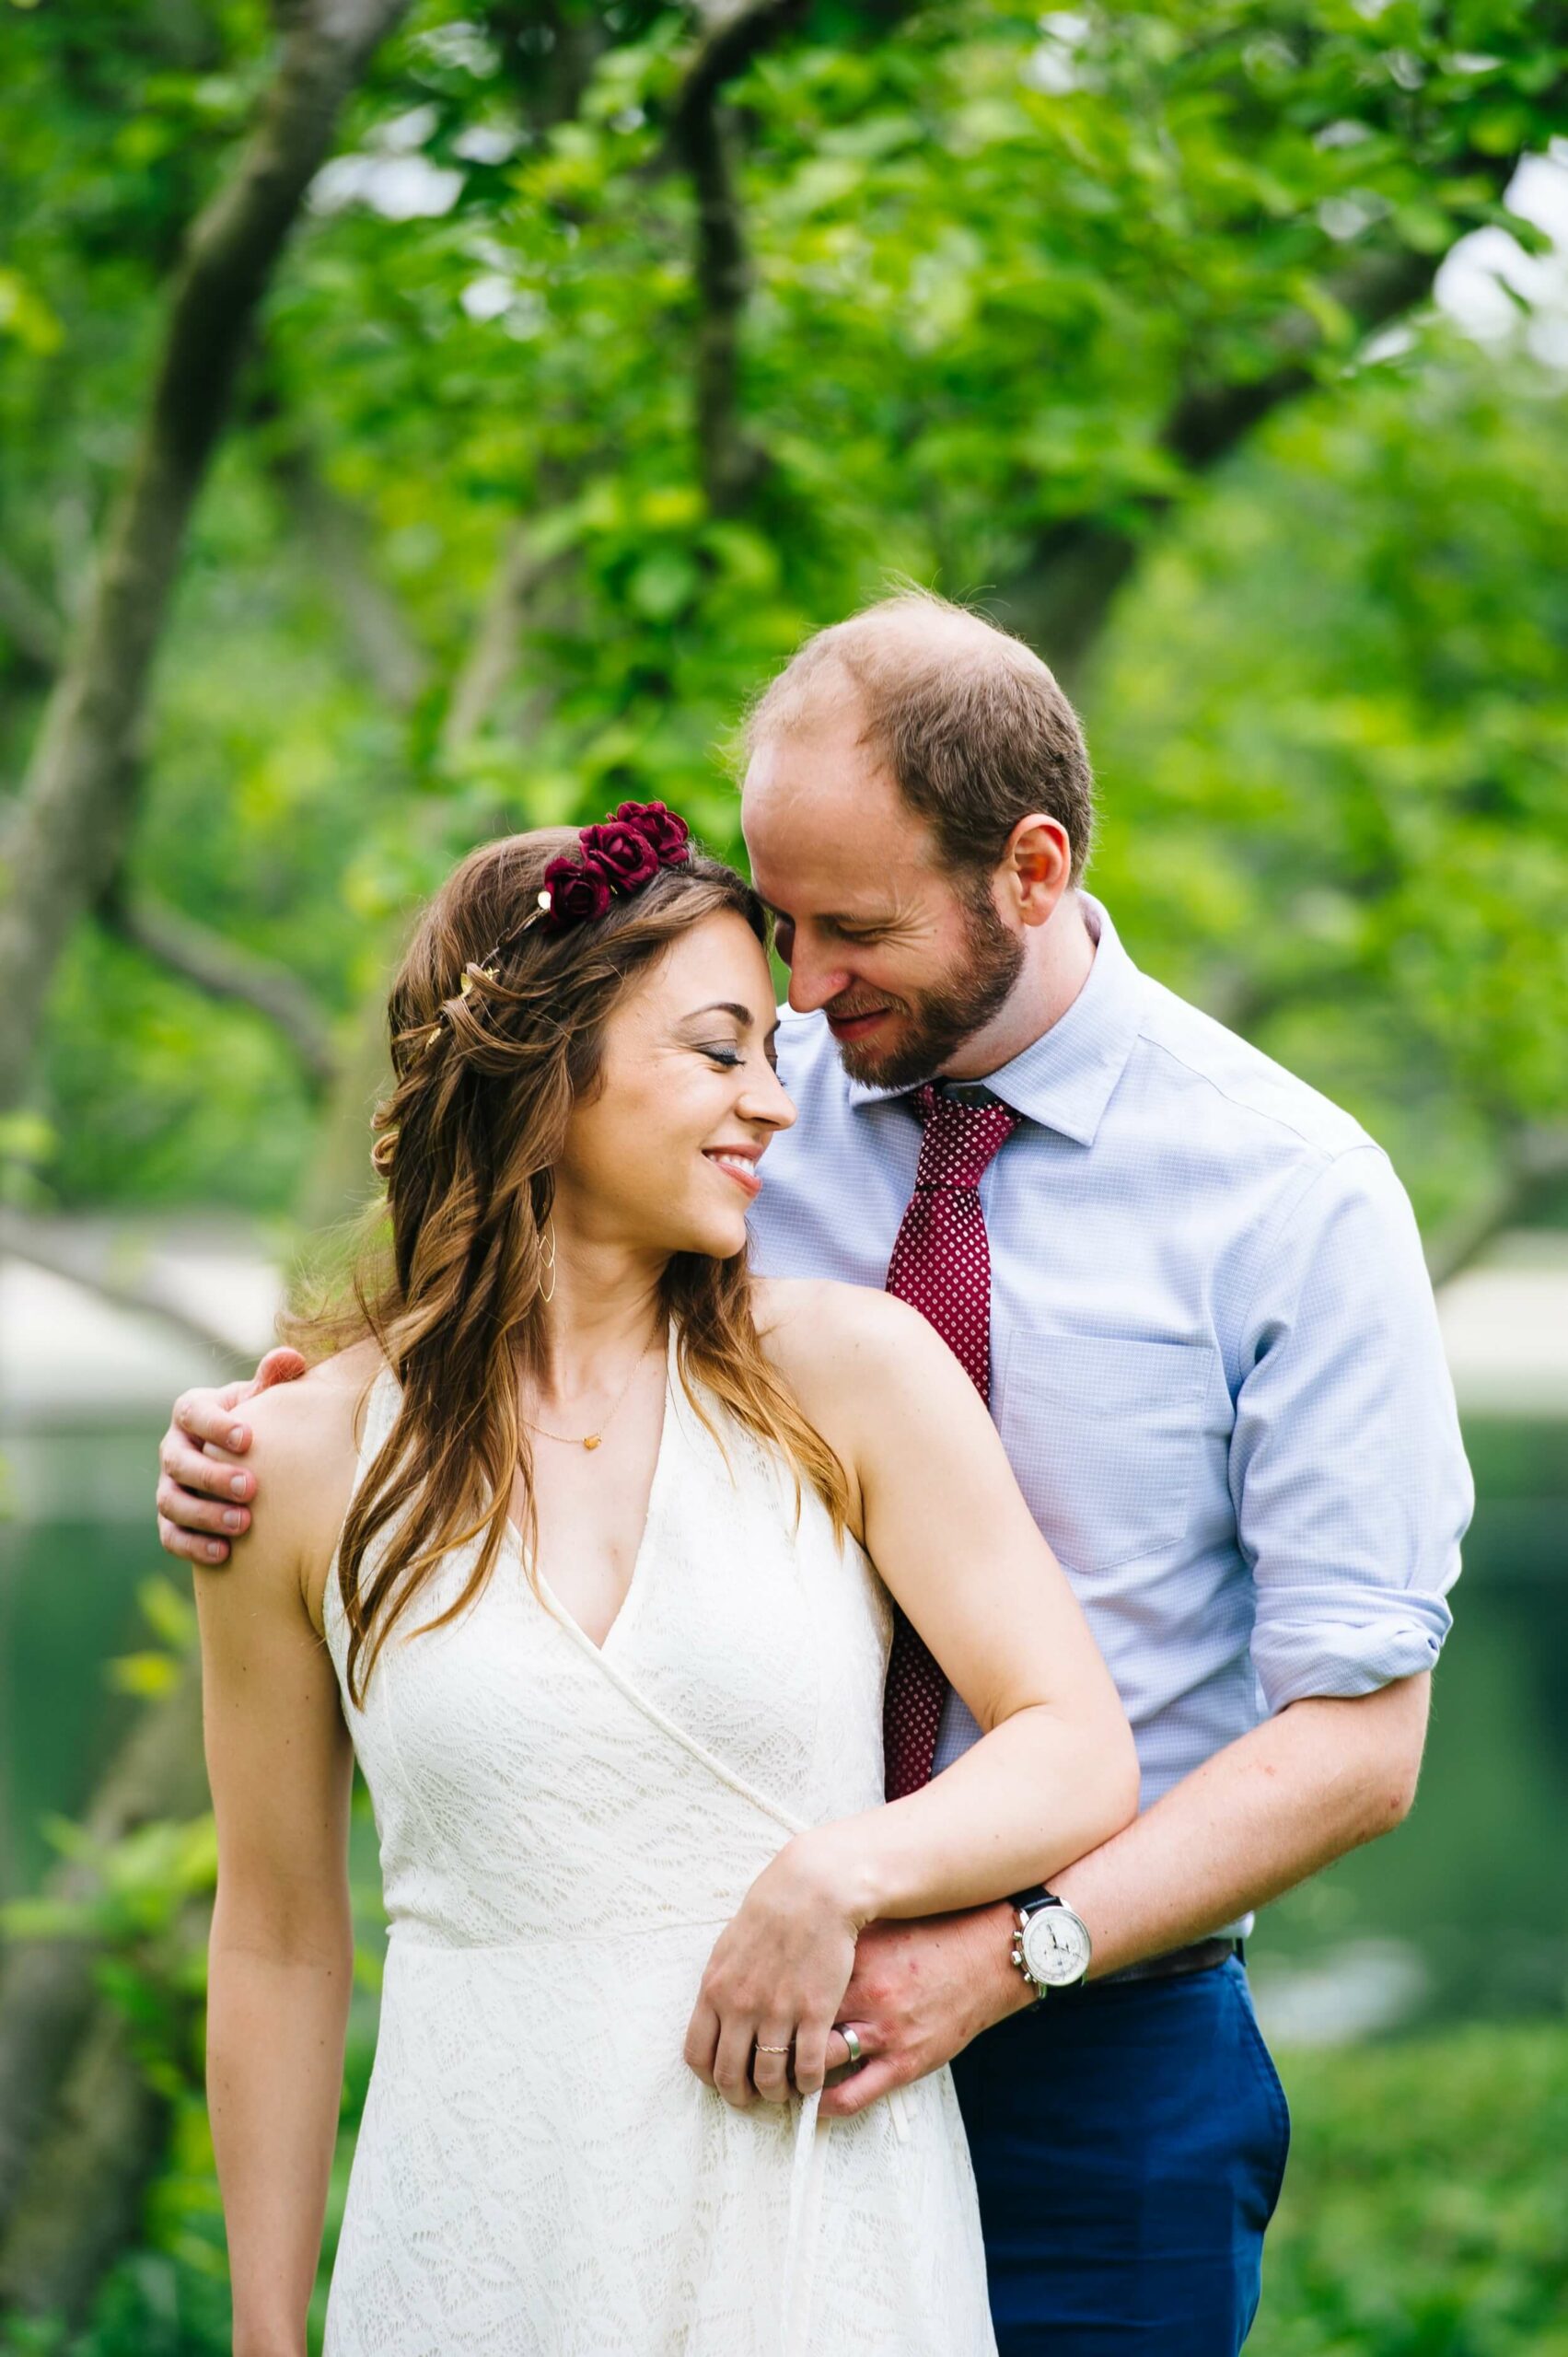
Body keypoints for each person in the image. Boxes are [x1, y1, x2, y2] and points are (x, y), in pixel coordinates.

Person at [159, 594, 1473, 2355]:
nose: (800, 1003)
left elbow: (1359, 1741)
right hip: (645, 2084)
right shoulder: (750, 1087)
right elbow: (527, 1247)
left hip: (1102, 2037)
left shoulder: (1292, 1196)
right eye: (778, 931)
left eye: (849, 931)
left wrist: (987, 1945)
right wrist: (280, 1443)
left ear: (1029, 868)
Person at [185, 804, 1138, 2357]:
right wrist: (265, 2332)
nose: (776, 1102)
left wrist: (845, 1873)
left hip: (821, 2237)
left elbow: (1075, 1745)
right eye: (720, 1052)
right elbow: (280, 1934)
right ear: (542, 1073)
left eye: (775, 1051)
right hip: (479, 2239)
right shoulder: (289, 1462)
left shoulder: (850, 1374)